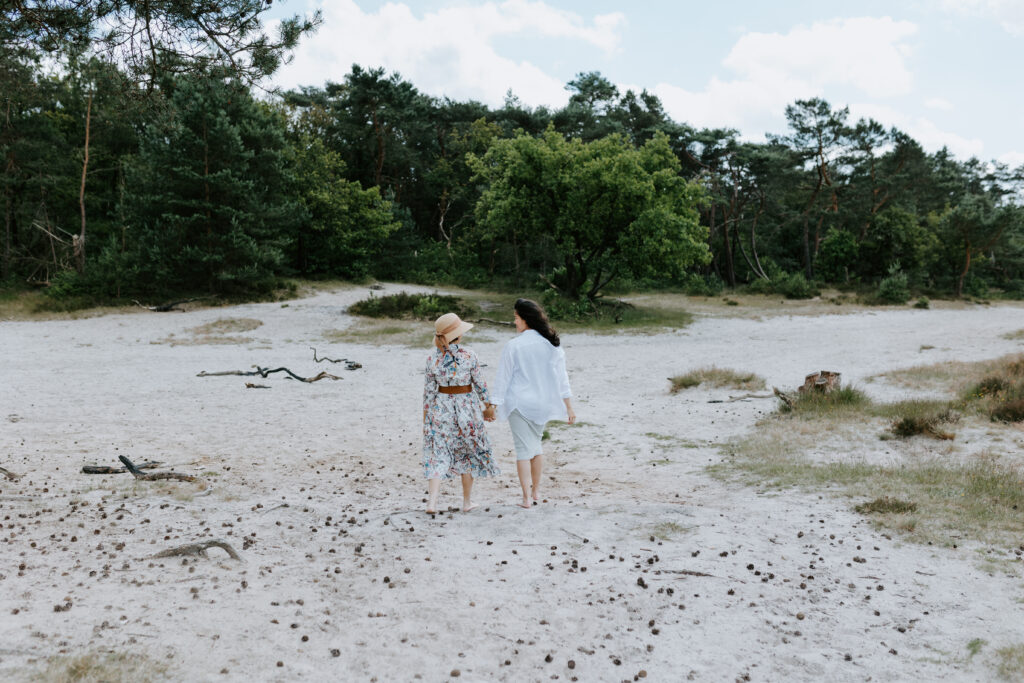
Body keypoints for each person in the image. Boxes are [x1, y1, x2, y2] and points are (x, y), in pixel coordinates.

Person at [487, 298, 576, 509]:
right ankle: (536, 490)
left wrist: (493, 404)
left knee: (523, 451)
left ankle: (526, 497)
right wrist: (569, 406)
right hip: (542, 404)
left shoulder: (514, 346)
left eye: (516, 318)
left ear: (526, 320)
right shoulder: (551, 345)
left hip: (520, 403)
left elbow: (503, 378)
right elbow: (562, 378)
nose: (515, 322)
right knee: (535, 447)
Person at [422, 312, 499, 514]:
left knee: (438, 454)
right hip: (466, 408)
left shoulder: (432, 358)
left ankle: (431, 502)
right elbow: (480, 385)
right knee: (466, 453)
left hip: (441, 408)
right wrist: (488, 407)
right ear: (459, 334)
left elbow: (428, 393)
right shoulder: (469, 355)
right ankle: (466, 502)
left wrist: (427, 419)